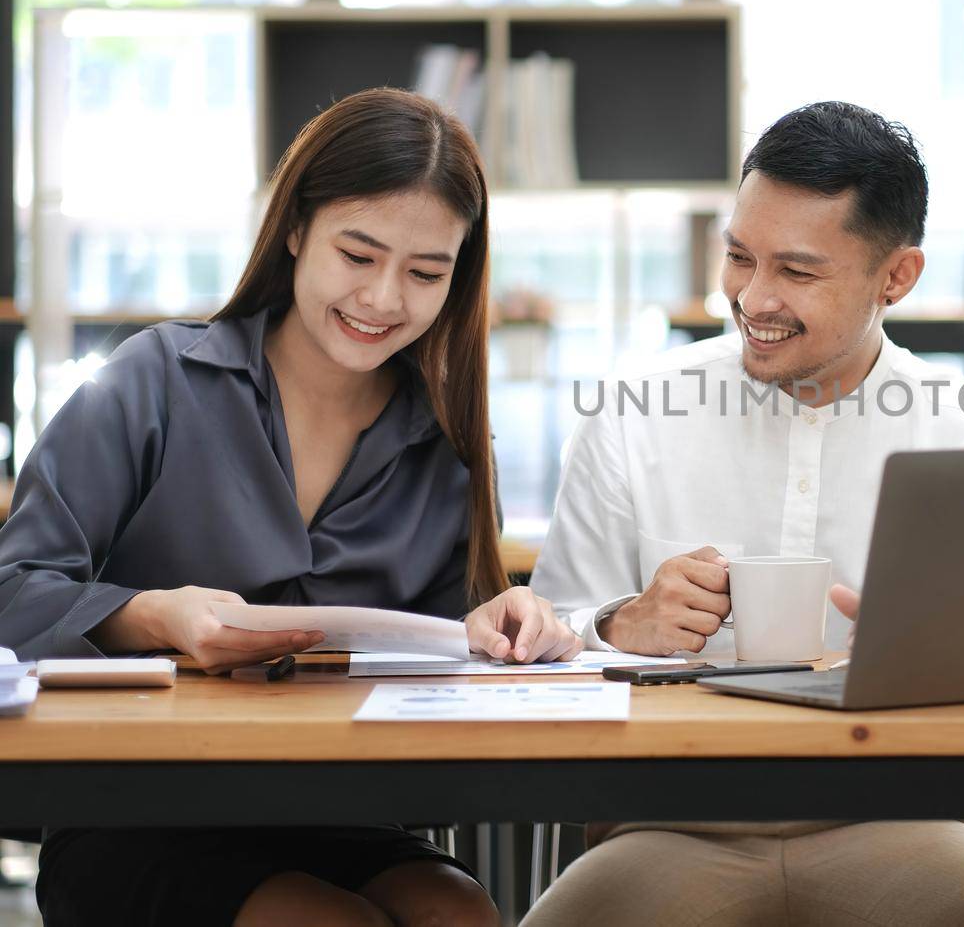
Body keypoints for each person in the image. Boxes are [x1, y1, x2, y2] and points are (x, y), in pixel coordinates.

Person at [0, 88, 580, 927]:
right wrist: (158, 614)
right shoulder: (155, 380)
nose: (384, 298)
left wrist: (508, 628)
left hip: (337, 809)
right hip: (141, 809)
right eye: (358, 253)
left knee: (464, 915)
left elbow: (444, 662)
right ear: (298, 227)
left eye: (426, 272)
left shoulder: (446, 446)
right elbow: (12, 591)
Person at [523, 101, 964, 925]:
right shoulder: (635, 413)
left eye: (798, 272)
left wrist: (957, 643)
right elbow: (542, 646)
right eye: (740, 256)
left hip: (903, 823)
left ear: (897, 277)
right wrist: (619, 623)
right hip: (666, 828)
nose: (753, 296)